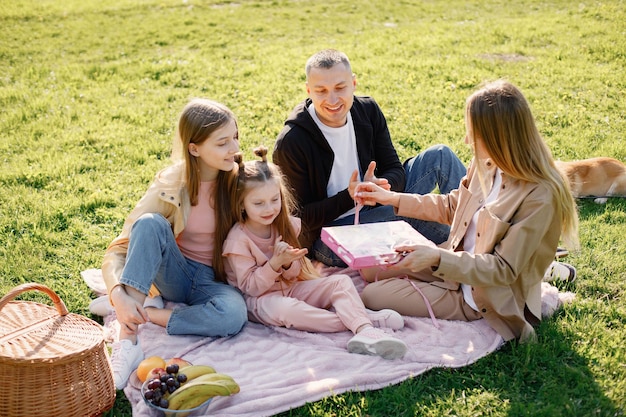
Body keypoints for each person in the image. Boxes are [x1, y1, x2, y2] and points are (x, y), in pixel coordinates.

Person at [353, 80, 579, 343]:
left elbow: (502, 270)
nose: (466, 139)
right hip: (454, 263)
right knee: (369, 269)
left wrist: (436, 259)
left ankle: (437, 291)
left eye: (473, 132)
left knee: (371, 295)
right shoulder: (486, 163)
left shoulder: (539, 195)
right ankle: (428, 281)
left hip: (478, 296)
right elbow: (452, 205)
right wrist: (392, 198)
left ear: (498, 137)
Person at [101, 98, 248, 389]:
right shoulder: (169, 186)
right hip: (175, 273)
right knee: (149, 223)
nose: (234, 149)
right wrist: (118, 294)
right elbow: (120, 248)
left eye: (235, 137)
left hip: (216, 281)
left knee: (234, 314)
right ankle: (128, 341)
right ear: (194, 148)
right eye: (222, 143)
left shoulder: (240, 181)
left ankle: (147, 312)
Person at [273, 49, 467, 267]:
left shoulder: (367, 110)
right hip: (330, 235)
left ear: (353, 83)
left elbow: (394, 169)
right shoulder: (292, 142)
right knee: (413, 219)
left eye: (340, 88)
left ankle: (486, 225)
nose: (332, 99)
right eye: (321, 91)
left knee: (441, 156)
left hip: (377, 204)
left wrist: (383, 187)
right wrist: (351, 196)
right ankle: (467, 251)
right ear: (309, 90)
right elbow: (299, 218)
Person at [222, 146, 407, 360]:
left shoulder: (283, 225)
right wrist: (274, 264)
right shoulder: (238, 240)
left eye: (275, 200)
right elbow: (250, 288)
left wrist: (287, 263)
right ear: (241, 204)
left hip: (291, 288)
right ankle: (363, 320)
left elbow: (293, 275)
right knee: (289, 311)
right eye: (258, 203)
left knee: (340, 283)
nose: (269, 209)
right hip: (262, 302)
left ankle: (364, 330)